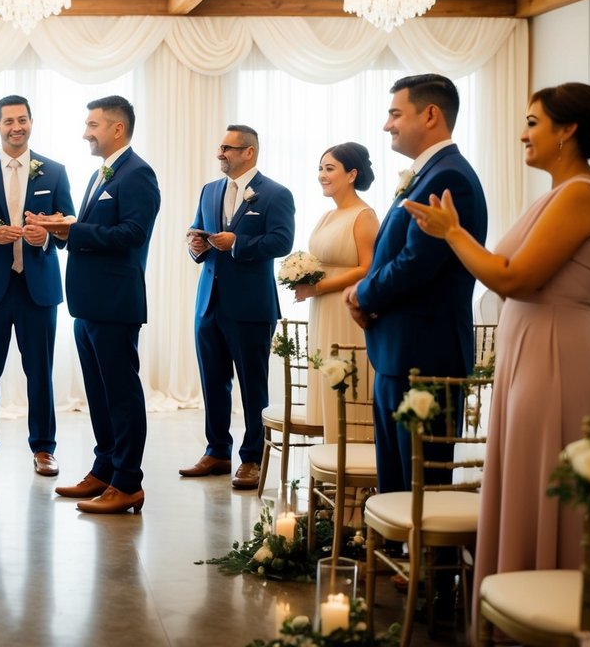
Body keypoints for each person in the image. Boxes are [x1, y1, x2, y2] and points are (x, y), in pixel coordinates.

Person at [402, 82, 590, 616]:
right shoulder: (557, 194)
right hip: (536, 352)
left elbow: (513, 278)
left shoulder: (581, 194)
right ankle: (521, 603)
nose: (523, 133)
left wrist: (453, 233)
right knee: (527, 477)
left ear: (567, 130)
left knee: (544, 480)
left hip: (558, 357)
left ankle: (551, 609)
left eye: (533, 122)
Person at [345, 74, 487, 495]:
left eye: (395, 114)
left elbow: (416, 262)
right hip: (401, 352)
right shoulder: (431, 174)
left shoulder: (449, 178)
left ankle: (416, 544)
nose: (386, 125)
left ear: (430, 115)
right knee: (394, 488)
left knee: (420, 491)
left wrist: (362, 293)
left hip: (425, 356)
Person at [27, 96, 160, 515]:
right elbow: (95, 230)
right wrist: (60, 229)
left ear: (117, 129)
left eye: (92, 125)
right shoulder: (100, 174)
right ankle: (104, 470)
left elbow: (133, 234)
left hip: (115, 304)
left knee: (121, 395)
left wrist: (72, 230)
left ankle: (128, 483)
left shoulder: (138, 173)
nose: (86, 133)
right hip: (88, 304)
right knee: (99, 395)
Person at [0, 95, 74, 481]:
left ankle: (44, 448)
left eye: (22, 120)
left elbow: (68, 225)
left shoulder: (54, 171)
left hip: (37, 288)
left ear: (31, 122)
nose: (16, 127)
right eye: (8, 121)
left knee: (40, 372)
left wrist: (47, 235)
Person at [183, 125, 295, 489]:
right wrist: (195, 245)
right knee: (213, 383)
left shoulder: (276, 194)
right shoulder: (209, 190)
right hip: (208, 302)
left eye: (228, 148)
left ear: (249, 152)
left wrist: (237, 243)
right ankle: (217, 451)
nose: (220, 153)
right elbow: (197, 229)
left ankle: (253, 458)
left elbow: (282, 241)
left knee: (252, 386)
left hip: (250, 306)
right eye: (220, 147)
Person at [294, 142, 379, 442]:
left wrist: (316, 287)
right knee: (327, 379)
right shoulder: (327, 216)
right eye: (320, 168)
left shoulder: (364, 215)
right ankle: (332, 455)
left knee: (346, 383)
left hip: (346, 310)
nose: (322, 175)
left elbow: (368, 268)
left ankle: (353, 458)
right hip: (322, 310)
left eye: (329, 168)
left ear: (352, 174)